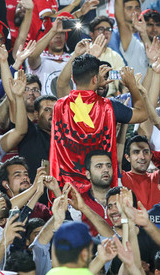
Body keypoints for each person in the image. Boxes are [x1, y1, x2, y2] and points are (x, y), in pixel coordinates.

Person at [49, 56, 146, 190]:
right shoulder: (109, 106)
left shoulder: (59, 106)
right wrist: (132, 85)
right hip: (98, 189)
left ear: (73, 78)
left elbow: (69, 91)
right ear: (95, 78)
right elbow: (142, 113)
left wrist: (93, 85)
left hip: (65, 188)